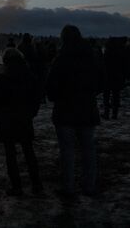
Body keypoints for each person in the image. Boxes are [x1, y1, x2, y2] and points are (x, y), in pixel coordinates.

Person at [46, 25, 102, 198]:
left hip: (65, 113)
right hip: (87, 111)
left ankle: (68, 187)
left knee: (68, 152)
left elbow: (50, 87)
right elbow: (100, 82)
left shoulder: (60, 60)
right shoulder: (91, 58)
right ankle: (89, 186)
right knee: (88, 151)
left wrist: (59, 97)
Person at [0, 48, 43, 197]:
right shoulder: (30, 77)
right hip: (24, 120)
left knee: (10, 154)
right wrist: (30, 114)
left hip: (7, 121)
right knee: (29, 152)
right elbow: (36, 99)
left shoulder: (2, 79)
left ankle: (17, 187)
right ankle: (37, 185)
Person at [102, 37, 130, 120]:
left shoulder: (107, 53)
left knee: (106, 96)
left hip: (107, 77)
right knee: (116, 96)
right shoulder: (120, 53)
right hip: (117, 77)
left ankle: (106, 113)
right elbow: (124, 66)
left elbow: (103, 66)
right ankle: (115, 114)